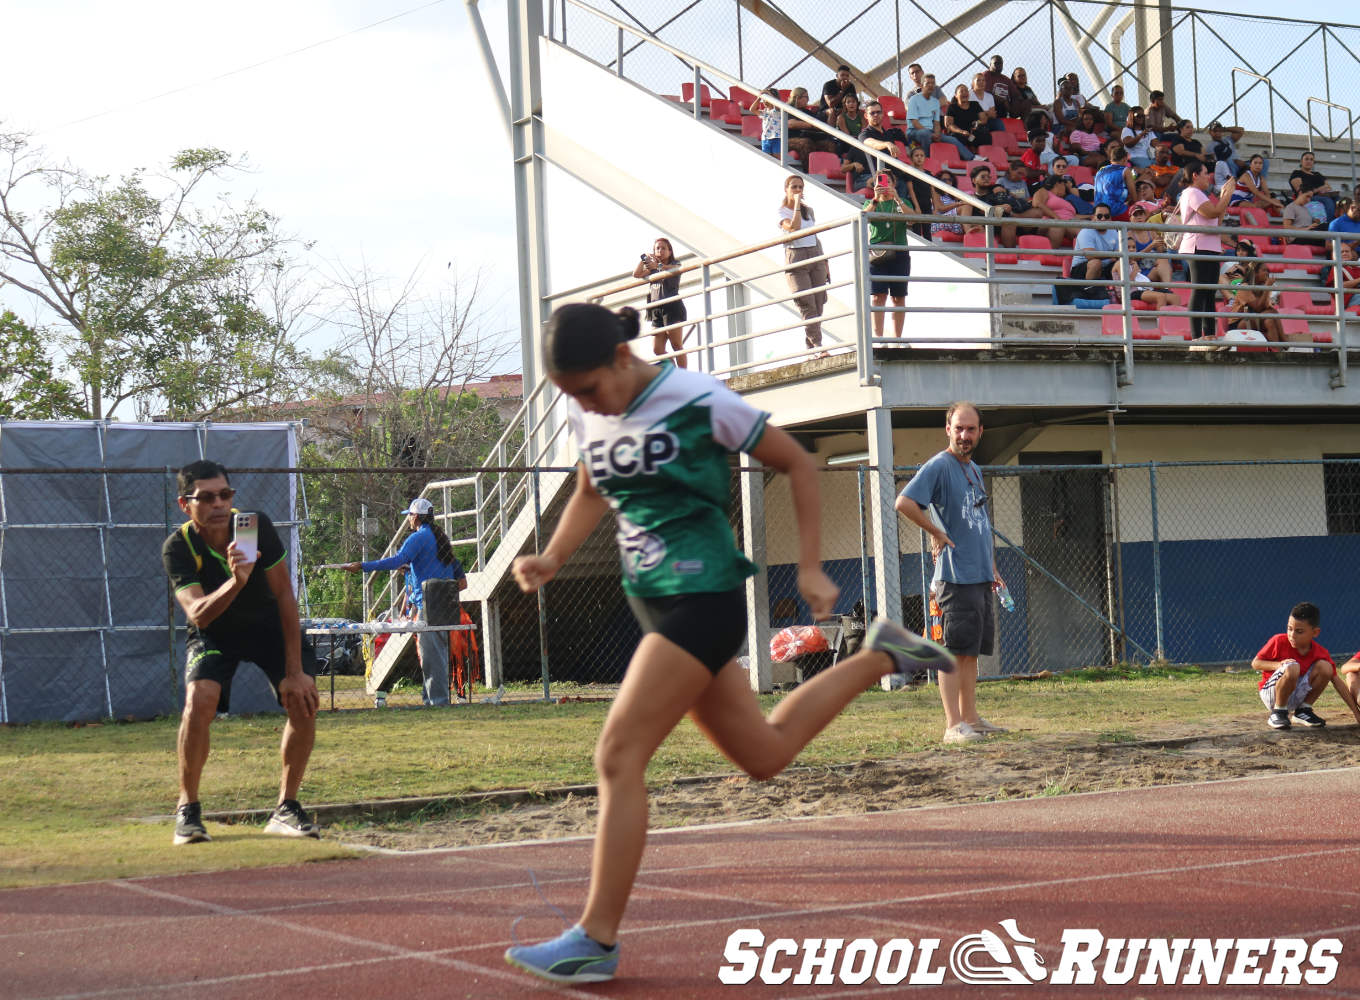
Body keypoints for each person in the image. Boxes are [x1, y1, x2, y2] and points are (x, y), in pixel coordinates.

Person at [501, 302, 955, 985]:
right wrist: (554, 556)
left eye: (589, 389)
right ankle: (881, 655)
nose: (584, 404)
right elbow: (592, 487)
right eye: (571, 397)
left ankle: (596, 939)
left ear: (622, 359)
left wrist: (807, 567)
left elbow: (798, 463)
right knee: (765, 755)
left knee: (618, 754)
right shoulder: (588, 405)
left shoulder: (697, 398)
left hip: (703, 597)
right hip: (654, 604)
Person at [162, 460, 321, 845]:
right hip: (215, 631)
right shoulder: (179, 547)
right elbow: (199, 614)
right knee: (200, 699)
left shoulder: (251, 527)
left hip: (267, 628)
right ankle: (188, 810)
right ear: (186, 504)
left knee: (302, 699)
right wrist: (236, 581)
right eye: (207, 497)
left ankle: (286, 808)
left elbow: (284, 594)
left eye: (225, 495)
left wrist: (295, 670)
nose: (219, 504)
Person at [895, 402, 1007, 744]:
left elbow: (980, 523)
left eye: (971, 429)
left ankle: (971, 719)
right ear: (948, 430)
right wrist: (935, 531)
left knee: (970, 652)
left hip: (979, 575)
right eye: (958, 428)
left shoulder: (973, 469)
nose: (964, 435)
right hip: (954, 577)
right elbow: (905, 502)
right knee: (953, 651)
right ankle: (953, 725)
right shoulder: (939, 466)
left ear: (980, 432)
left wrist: (992, 567)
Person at [342, 498, 468, 706]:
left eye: (409, 515)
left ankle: (438, 703)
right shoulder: (439, 538)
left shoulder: (419, 537)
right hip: (445, 603)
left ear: (416, 516)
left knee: (431, 657)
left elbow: (397, 561)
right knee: (437, 654)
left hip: (429, 604)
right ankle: (431, 700)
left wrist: (363, 566)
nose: (408, 519)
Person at [1251, 602, 1360, 730]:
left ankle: (1303, 710)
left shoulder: (1321, 652)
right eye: (1289, 628)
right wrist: (1278, 665)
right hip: (1272, 694)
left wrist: (1356, 713)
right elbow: (1256, 663)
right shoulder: (1279, 641)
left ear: (1315, 632)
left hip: (1296, 693)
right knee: (1293, 666)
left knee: (1326, 667)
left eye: (1299, 631)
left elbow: (1337, 682)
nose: (1292, 635)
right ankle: (1278, 712)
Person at [1178, 163, 1237, 339]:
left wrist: (1225, 199)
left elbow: (1216, 219)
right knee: (1200, 291)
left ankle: (1210, 334)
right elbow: (1212, 213)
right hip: (1198, 247)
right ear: (1195, 175)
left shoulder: (1200, 194)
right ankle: (1197, 335)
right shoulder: (1192, 192)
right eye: (1205, 174)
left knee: (1210, 293)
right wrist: (1226, 196)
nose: (1209, 177)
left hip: (1210, 246)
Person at [778, 175, 828, 351]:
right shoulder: (782, 211)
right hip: (796, 257)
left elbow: (814, 235)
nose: (798, 191)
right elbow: (794, 228)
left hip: (815, 254)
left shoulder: (810, 211)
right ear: (787, 190)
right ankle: (818, 346)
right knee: (807, 303)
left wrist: (825, 262)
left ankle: (811, 344)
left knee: (819, 301)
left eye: (800, 187)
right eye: (794, 187)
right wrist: (797, 205)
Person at [863, 173, 911, 336]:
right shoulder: (871, 203)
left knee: (899, 297)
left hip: (900, 252)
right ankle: (878, 338)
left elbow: (912, 219)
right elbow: (865, 217)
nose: (884, 186)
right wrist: (876, 198)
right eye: (880, 183)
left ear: (894, 183)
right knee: (878, 297)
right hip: (878, 254)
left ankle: (898, 339)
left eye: (888, 182)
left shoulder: (901, 202)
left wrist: (897, 198)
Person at [632, 237, 688, 368]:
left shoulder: (674, 264)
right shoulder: (652, 269)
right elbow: (636, 274)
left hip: (672, 306)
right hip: (656, 308)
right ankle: (673, 371)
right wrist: (644, 258)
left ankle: (683, 374)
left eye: (663, 248)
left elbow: (676, 269)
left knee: (676, 344)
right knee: (657, 349)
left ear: (670, 251)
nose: (660, 251)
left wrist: (659, 266)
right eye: (657, 248)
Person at [1225, 261, 1283, 342]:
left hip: (1254, 319)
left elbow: (1265, 308)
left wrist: (1266, 289)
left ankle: (1276, 351)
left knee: (1270, 321)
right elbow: (1258, 308)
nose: (1267, 273)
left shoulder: (1262, 288)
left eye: (1267, 271)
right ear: (1255, 273)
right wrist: (1267, 288)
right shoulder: (1244, 287)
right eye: (1264, 270)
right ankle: (1283, 340)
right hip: (1239, 323)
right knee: (1271, 312)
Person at [1071, 204, 1120, 281]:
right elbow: (1090, 256)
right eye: (1099, 216)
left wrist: (1116, 256)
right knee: (1096, 263)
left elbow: (1119, 254)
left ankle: (1123, 291)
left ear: (1110, 219)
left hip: (1104, 267)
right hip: (1081, 269)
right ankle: (1088, 290)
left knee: (1122, 264)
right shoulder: (1086, 231)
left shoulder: (1114, 231)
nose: (1103, 219)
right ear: (1093, 218)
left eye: (1106, 216)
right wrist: (1112, 255)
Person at [1289, 151, 1336, 221]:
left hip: (1323, 195)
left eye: (1311, 159)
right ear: (1301, 161)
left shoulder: (1317, 174)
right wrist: (1319, 189)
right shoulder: (1297, 173)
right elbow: (1301, 191)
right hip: (1309, 198)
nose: (1309, 161)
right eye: (1306, 159)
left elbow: (1328, 187)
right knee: (1328, 201)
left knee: (1340, 200)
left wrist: (1324, 189)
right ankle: (1327, 224)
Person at [1094, 143, 1135, 220]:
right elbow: (1134, 196)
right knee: (1140, 213)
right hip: (1115, 212)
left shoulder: (1100, 171)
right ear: (1124, 159)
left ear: (1111, 160)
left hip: (1098, 213)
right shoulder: (1125, 170)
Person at [945, 84, 989, 151]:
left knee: (986, 135)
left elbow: (984, 119)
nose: (964, 93)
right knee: (956, 137)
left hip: (973, 132)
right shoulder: (952, 107)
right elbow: (949, 125)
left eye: (966, 91)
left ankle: (983, 155)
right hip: (959, 133)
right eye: (961, 91)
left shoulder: (975, 104)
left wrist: (978, 122)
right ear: (956, 95)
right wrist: (961, 132)